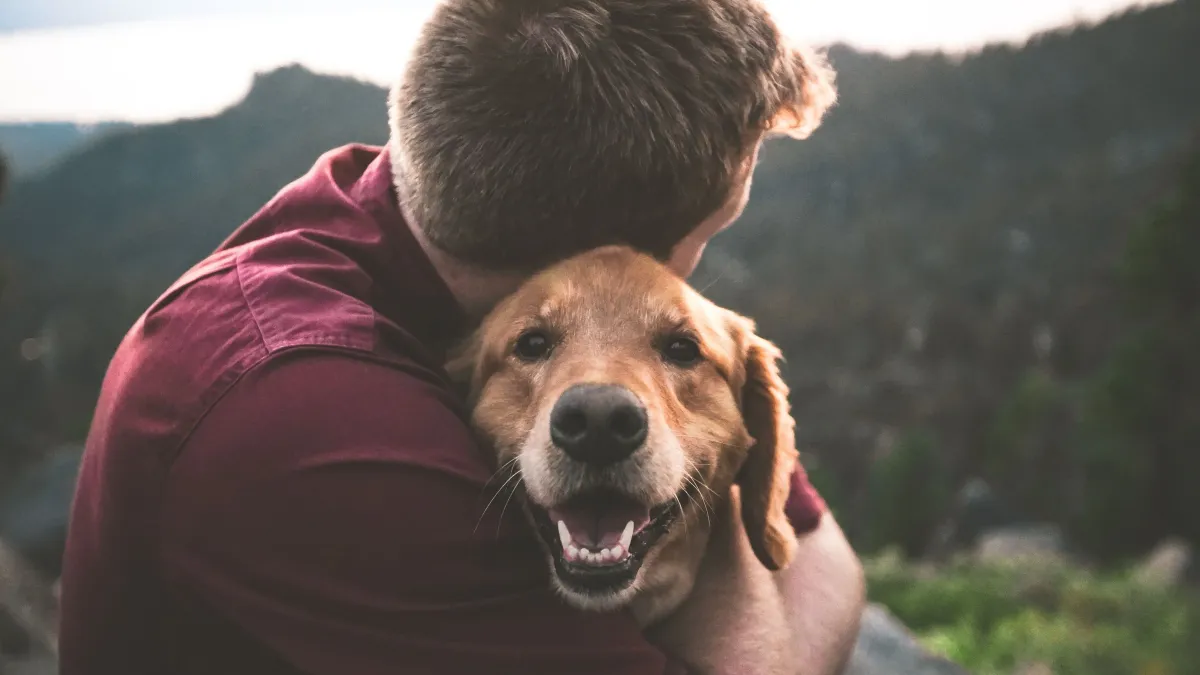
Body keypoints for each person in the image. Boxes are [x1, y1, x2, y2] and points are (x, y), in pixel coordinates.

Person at [58, 0, 865, 673]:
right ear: (612, 252)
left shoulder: (423, 209)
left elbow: (820, 547)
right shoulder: (303, 413)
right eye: (711, 229)